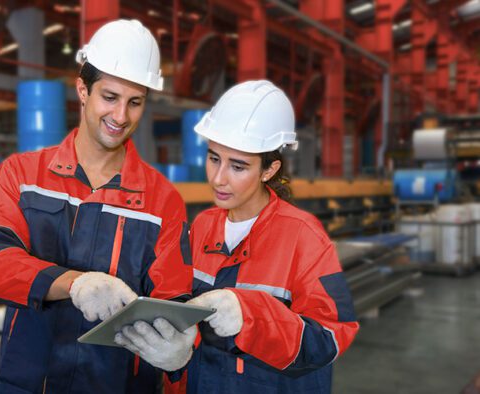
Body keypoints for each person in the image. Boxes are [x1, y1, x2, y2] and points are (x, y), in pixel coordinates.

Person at [0, 19, 196, 394]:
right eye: (109, 97)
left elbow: (173, 301)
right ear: (82, 89)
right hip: (28, 384)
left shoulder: (163, 200)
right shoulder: (23, 174)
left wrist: (178, 351)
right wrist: (75, 284)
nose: (121, 117)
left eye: (135, 102)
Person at [116, 80, 359, 393]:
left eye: (238, 166)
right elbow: (178, 309)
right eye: (214, 158)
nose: (218, 178)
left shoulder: (304, 237)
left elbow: (330, 338)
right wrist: (176, 355)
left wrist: (251, 316)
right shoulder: (202, 226)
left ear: (269, 170)